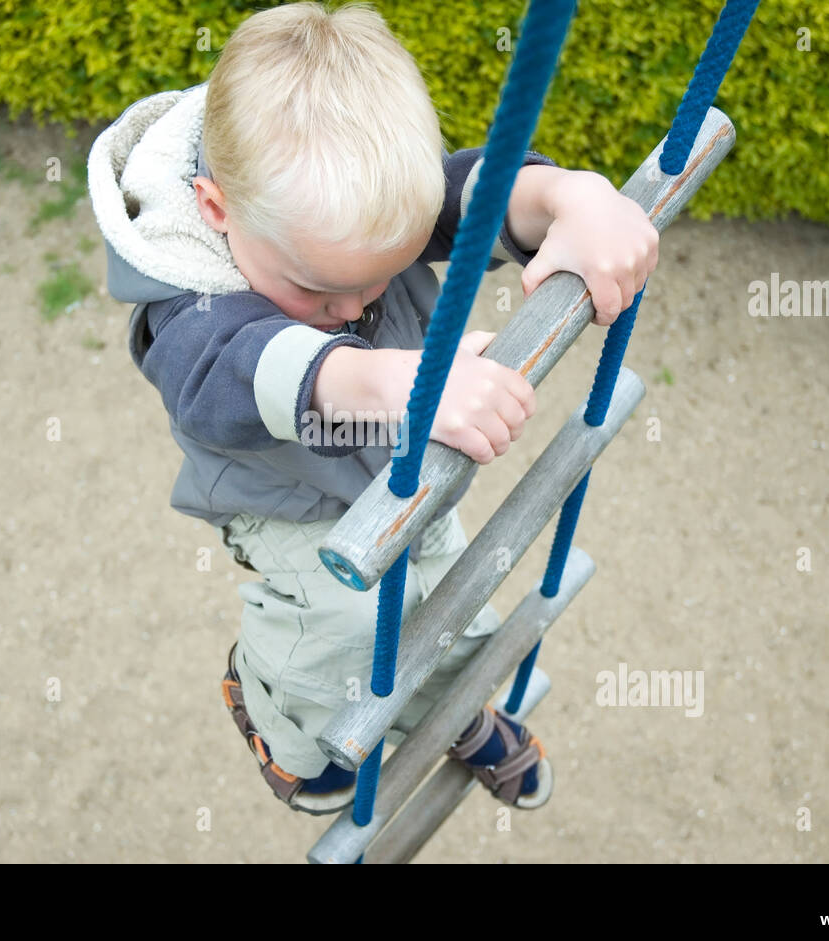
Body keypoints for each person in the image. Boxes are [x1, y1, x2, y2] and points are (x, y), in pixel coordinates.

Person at [86, 1, 657, 815]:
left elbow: (470, 195)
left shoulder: (333, 222)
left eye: (383, 274)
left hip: (399, 469)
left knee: (453, 598)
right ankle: (274, 718)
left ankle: (456, 713)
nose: (355, 303)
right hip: (287, 505)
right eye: (322, 289)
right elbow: (239, 369)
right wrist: (391, 382)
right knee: (337, 635)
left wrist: (570, 197)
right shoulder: (184, 299)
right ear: (218, 211)